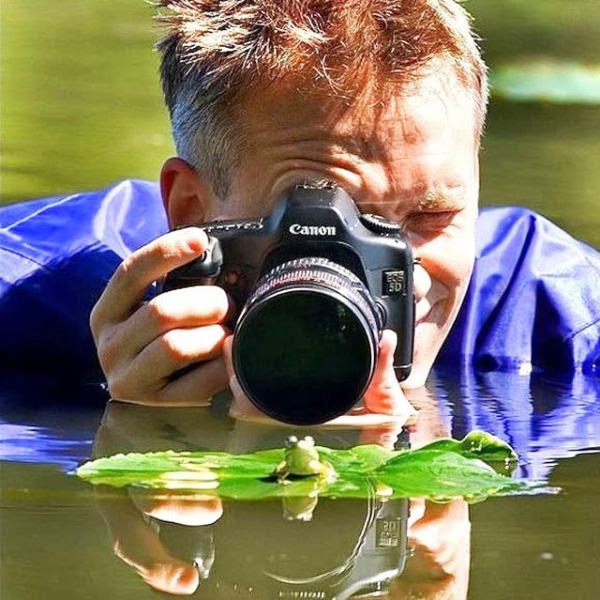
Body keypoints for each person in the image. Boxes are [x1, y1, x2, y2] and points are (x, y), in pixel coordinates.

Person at [88, 0, 488, 417]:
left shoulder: (547, 329)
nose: (413, 282)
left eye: (433, 216)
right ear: (192, 211)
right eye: (325, 223)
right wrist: (150, 428)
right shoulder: (22, 320)